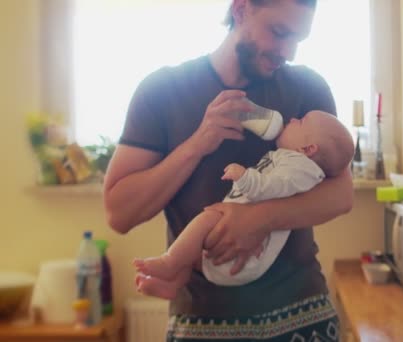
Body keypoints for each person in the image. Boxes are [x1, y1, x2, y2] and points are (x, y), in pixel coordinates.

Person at [103, 0, 354, 340]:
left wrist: (259, 219)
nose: (289, 52)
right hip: (203, 321)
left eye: (299, 38)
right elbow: (120, 213)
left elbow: (341, 195)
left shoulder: (308, 89)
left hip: (302, 314)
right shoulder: (162, 92)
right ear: (240, 10)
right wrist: (197, 144)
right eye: (279, 33)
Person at [133, 110, 354, 300]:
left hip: (249, 257)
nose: (293, 120)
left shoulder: (301, 169)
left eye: (301, 121)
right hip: (240, 260)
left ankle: (170, 262)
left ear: (308, 149)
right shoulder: (292, 160)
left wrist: (244, 176)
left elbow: (272, 187)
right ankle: (174, 282)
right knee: (196, 248)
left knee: (206, 220)